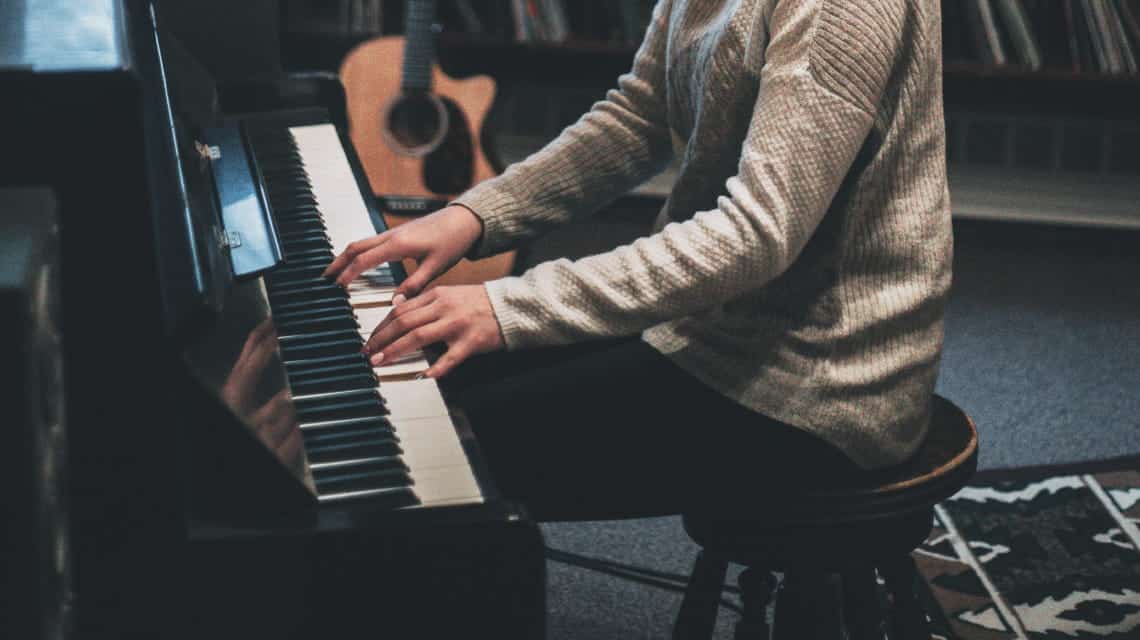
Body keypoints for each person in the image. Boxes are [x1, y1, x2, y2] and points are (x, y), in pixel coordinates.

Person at [323, 0, 953, 520]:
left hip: (819, 379)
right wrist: (474, 216)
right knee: (397, 374)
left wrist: (508, 305)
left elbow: (758, 233)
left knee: (436, 450)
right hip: (705, 323)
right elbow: (638, 115)